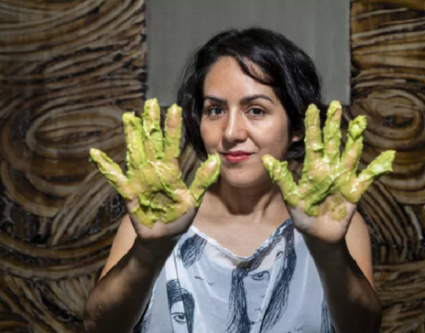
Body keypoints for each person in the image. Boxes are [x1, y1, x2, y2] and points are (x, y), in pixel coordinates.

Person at [83, 27, 384, 333]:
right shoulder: (153, 223)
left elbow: (364, 328)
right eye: (215, 110)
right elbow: (99, 326)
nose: (230, 133)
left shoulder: (335, 225)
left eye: (256, 110)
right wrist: (149, 251)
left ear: (297, 125)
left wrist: (329, 252)